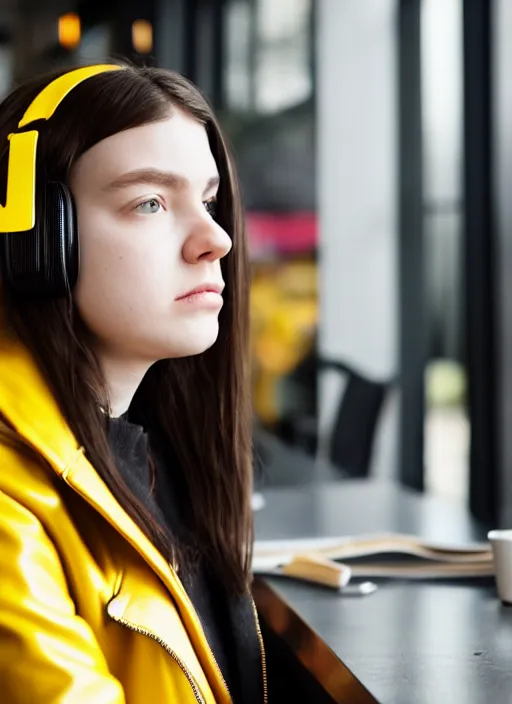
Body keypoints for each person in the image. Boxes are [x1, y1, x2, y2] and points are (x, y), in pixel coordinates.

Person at [0, 63, 266, 703]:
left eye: (206, 200)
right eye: (149, 202)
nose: (216, 239)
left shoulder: (155, 452)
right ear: (36, 239)